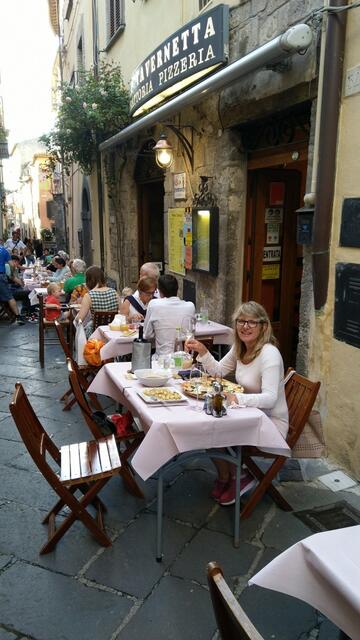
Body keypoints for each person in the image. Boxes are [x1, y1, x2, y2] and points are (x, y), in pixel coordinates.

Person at [185, 301, 288, 507]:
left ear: (264, 327)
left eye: (252, 322)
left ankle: (239, 477)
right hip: (247, 412)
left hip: (269, 421)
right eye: (241, 321)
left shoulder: (269, 354)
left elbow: (269, 399)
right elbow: (218, 372)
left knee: (213, 428)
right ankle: (228, 477)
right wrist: (204, 351)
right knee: (208, 422)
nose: (245, 326)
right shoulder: (240, 347)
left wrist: (237, 399)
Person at [143, 274, 195, 354]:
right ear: (177, 289)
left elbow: (147, 335)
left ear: (160, 291)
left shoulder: (154, 304)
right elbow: (191, 330)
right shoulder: (190, 306)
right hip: (185, 358)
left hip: (162, 359)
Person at [75, 266, 120, 337]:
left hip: (95, 333)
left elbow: (80, 318)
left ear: (88, 280)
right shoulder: (114, 293)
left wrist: (76, 318)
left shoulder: (89, 296)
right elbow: (121, 314)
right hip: (112, 331)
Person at [0, 243, 25, 325]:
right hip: (1, 275)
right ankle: (18, 317)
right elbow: (12, 265)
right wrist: (12, 273)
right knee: (9, 297)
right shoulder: (4, 251)